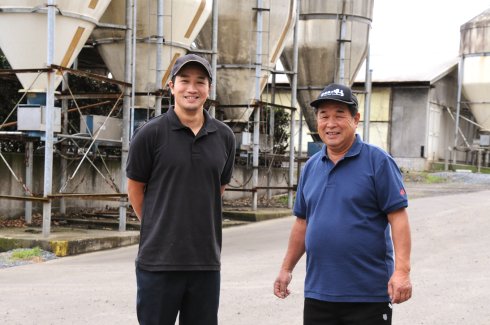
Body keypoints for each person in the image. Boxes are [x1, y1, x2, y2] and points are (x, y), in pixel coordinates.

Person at [273, 83, 412, 324]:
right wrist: (286, 269)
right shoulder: (311, 167)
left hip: (367, 295)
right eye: (324, 115)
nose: (331, 123)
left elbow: (398, 218)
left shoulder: (377, 162)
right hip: (319, 293)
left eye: (339, 115)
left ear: (355, 119)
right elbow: (302, 223)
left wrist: (402, 272)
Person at [126, 54, 236, 325]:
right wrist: (158, 224)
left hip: (206, 262)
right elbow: (135, 190)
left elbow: (217, 188)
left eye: (200, 82)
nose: (192, 88)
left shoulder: (224, 137)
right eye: (184, 81)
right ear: (171, 86)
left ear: (209, 89)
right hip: (158, 262)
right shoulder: (149, 134)